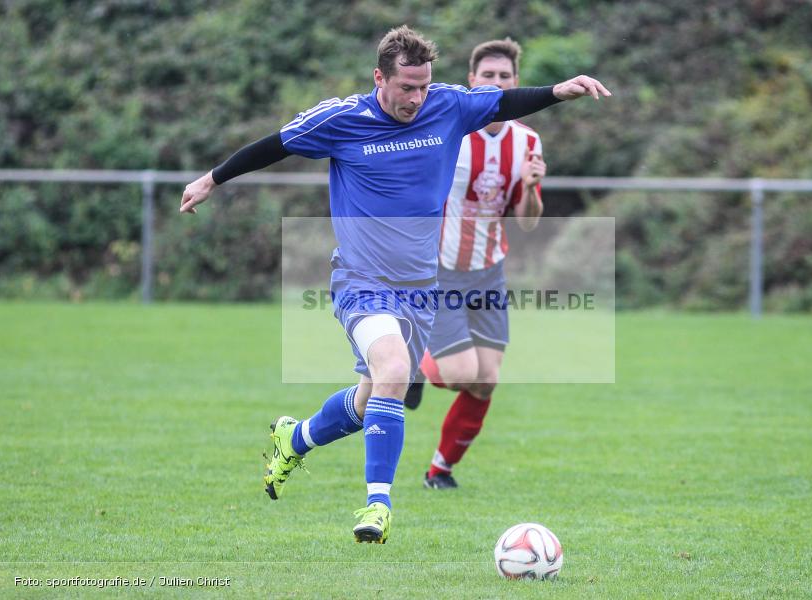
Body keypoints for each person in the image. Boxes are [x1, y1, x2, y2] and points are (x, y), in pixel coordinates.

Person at [180, 25, 611, 544]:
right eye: (406, 87)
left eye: (423, 86)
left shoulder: (447, 106)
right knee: (394, 370)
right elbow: (273, 147)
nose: (416, 98)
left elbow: (501, 103)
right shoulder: (342, 119)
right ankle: (377, 505)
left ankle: (292, 439)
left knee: (372, 398)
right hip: (361, 280)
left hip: (420, 288)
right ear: (379, 77)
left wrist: (558, 91)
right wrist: (211, 179)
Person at [402, 38, 547, 491]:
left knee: (486, 382)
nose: (496, 83)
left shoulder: (528, 140)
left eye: (504, 77)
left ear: (515, 84)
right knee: (463, 373)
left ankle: (439, 470)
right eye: (488, 75)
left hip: (489, 271)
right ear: (471, 81)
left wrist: (530, 187)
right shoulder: (450, 130)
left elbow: (527, 223)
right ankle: (411, 367)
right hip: (439, 270)